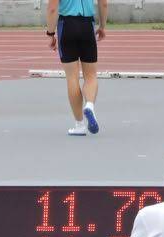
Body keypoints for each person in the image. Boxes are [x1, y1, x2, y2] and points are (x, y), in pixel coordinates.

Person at [45, 0, 107, 136]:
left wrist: (50, 34)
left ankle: (79, 125)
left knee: (72, 77)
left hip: (66, 25)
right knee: (90, 76)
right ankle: (89, 105)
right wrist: (102, 26)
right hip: (87, 25)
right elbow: (103, 3)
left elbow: (52, 8)